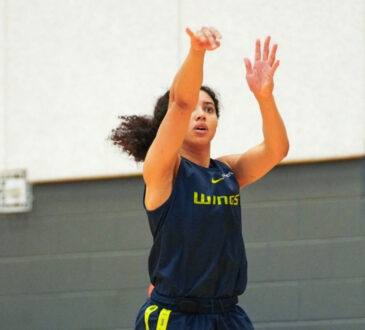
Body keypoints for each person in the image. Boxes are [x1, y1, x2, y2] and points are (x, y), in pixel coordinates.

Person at [110, 26, 289, 330]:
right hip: (177, 316)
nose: (201, 114)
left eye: (209, 109)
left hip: (228, 315)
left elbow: (277, 149)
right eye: (195, 109)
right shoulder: (164, 171)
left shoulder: (226, 172)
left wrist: (265, 98)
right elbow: (180, 103)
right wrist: (197, 52)